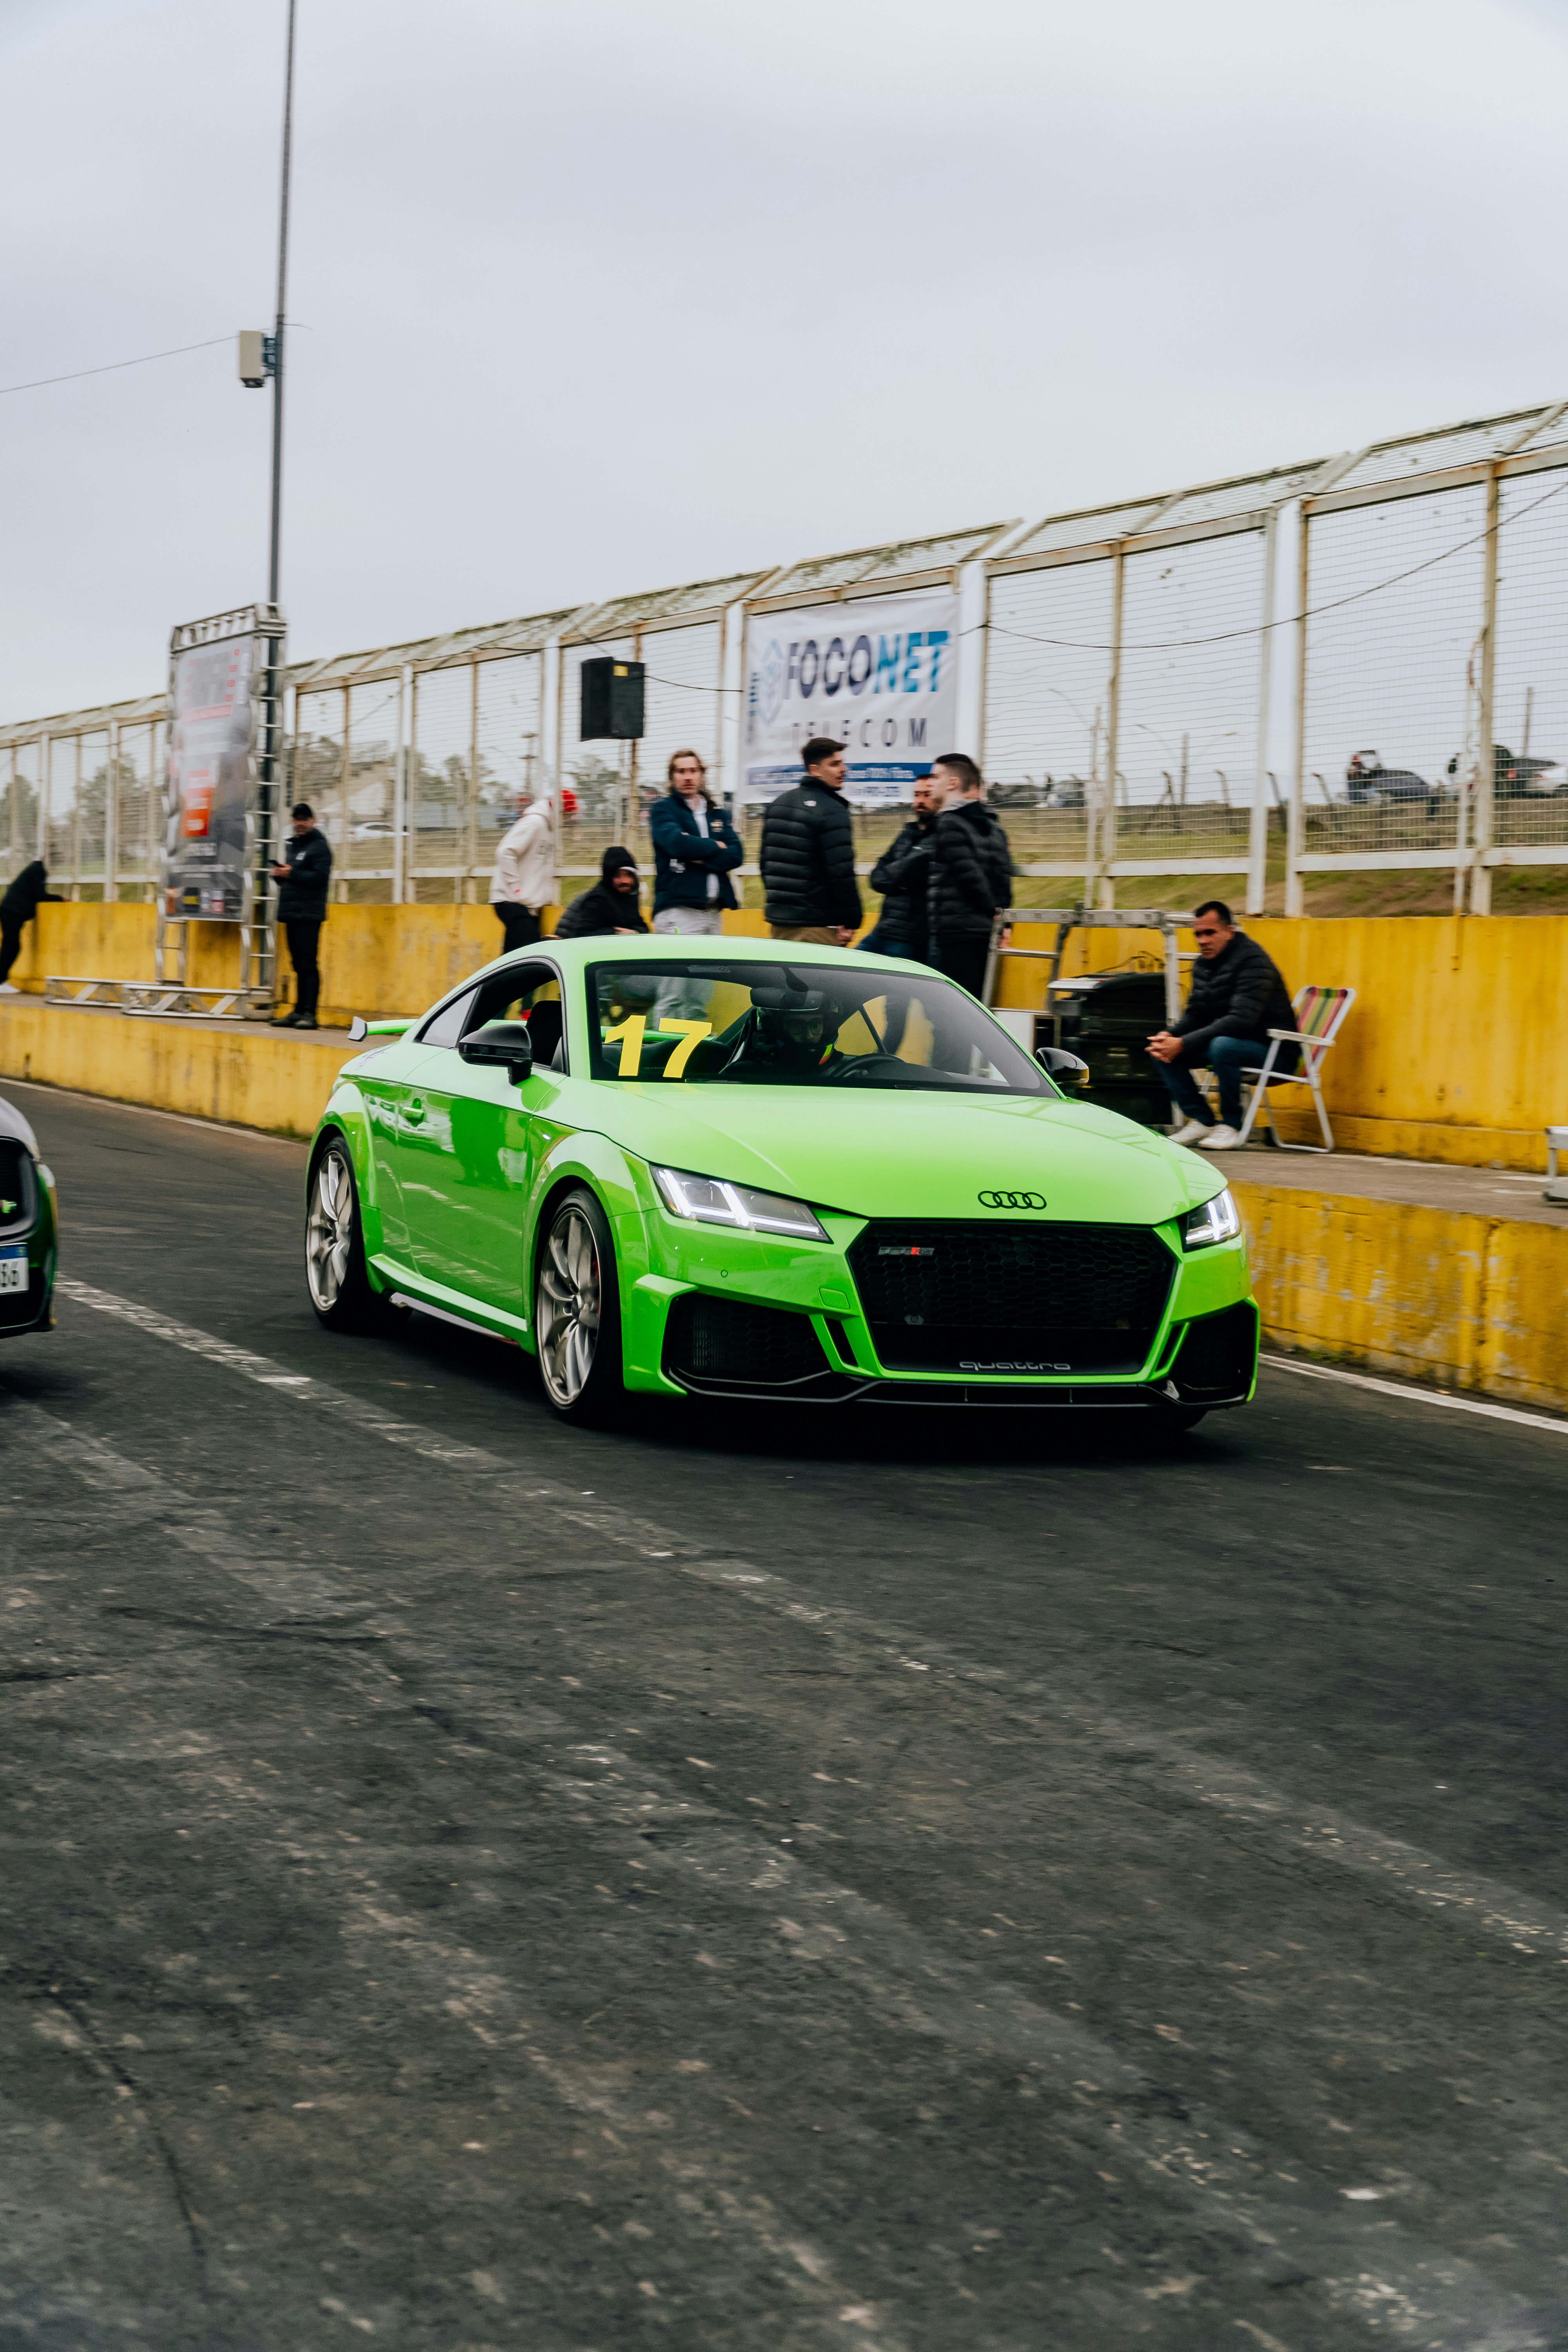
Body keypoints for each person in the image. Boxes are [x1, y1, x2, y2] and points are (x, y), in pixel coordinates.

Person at [1146, 898, 1297, 1149]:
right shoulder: (1204, 964)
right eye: (1198, 934)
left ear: (1230, 931)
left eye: (1210, 933)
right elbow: (1197, 1013)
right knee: (1161, 1050)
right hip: (1232, 1045)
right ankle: (1203, 1120)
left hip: (1275, 1051)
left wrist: (1183, 1043)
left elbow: (1241, 1021)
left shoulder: (1254, 962)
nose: (1203, 940)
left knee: (1222, 1046)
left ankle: (1232, 1125)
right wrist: (1169, 1036)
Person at [648, 750, 744, 1018]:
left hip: (713, 914)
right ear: (672, 777)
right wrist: (716, 847)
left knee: (700, 997)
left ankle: (695, 1055)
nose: (688, 777)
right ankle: (660, 1054)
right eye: (681, 771)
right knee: (674, 994)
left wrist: (699, 858)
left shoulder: (717, 814)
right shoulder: (663, 809)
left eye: (693, 771)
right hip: (679, 912)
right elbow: (675, 843)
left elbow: (736, 854)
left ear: (702, 774)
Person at [759, 737, 861, 946]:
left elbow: (766, 865)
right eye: (835, 764)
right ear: (814, 770)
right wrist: (851, 920)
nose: (844, 769)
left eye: (843, 763)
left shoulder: (778, 805)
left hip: (780, 924)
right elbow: (841, 872)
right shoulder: (833, 809)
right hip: (817, 926)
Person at [926, 754, 1013, 998]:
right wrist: (1002, 918)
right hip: (985, 932)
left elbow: (969, 876)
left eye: (936, 776)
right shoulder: (992, 826)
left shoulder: (949, 823)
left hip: (956, 932)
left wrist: (992, 912)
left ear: (952, 783)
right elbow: (1003, 877)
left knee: (949, 1010)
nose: (931, 783)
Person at [860, 775, 938, 963]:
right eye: (917, 795)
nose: (920, 801)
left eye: (927, 795)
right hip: (882, 930)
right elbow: (877, 877)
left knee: (894, 992)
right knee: (849, 975)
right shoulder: (907, 834)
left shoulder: (942, 836)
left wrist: (894, 877)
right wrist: (899, 878)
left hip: (910, 937)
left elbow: (898, 872)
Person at [270, 804, 332, 1029]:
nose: (300, 823)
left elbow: (319, 878)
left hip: (309, 914)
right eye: (297, 819)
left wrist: (292, 873)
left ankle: (310, 1014)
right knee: (297, 964)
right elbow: (292, 879)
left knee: (308, 964)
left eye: (305, 819)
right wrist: (280, 875)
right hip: (292, 912)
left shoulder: (320, 847)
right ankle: (298, 1011)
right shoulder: (293, 847)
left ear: (313, 821)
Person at [489, 789, 554, 955]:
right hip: (511, 901)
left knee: (511, 959)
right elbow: (505, 852)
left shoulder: (548, 828)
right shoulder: (534, 823)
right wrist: (516, 888)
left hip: (524, 904)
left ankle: (499, 982)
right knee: (534, 953)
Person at [554, 846, 650, 939]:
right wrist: (617, 935)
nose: (625, 881)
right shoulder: (598, 900)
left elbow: (642, 928)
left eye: (629, 875)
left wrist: (635, 933)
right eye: (618, 876)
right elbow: (581, 935)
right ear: (609, 878)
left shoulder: (628, 897)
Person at [0, 860, 63, 995]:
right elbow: (40, 896)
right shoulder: (39, 871)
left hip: (10, 911)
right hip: (13, 912)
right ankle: (1, 981)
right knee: (11, 947)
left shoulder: (32, 870)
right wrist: (60, 898)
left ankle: (2, 980)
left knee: (10, 947)